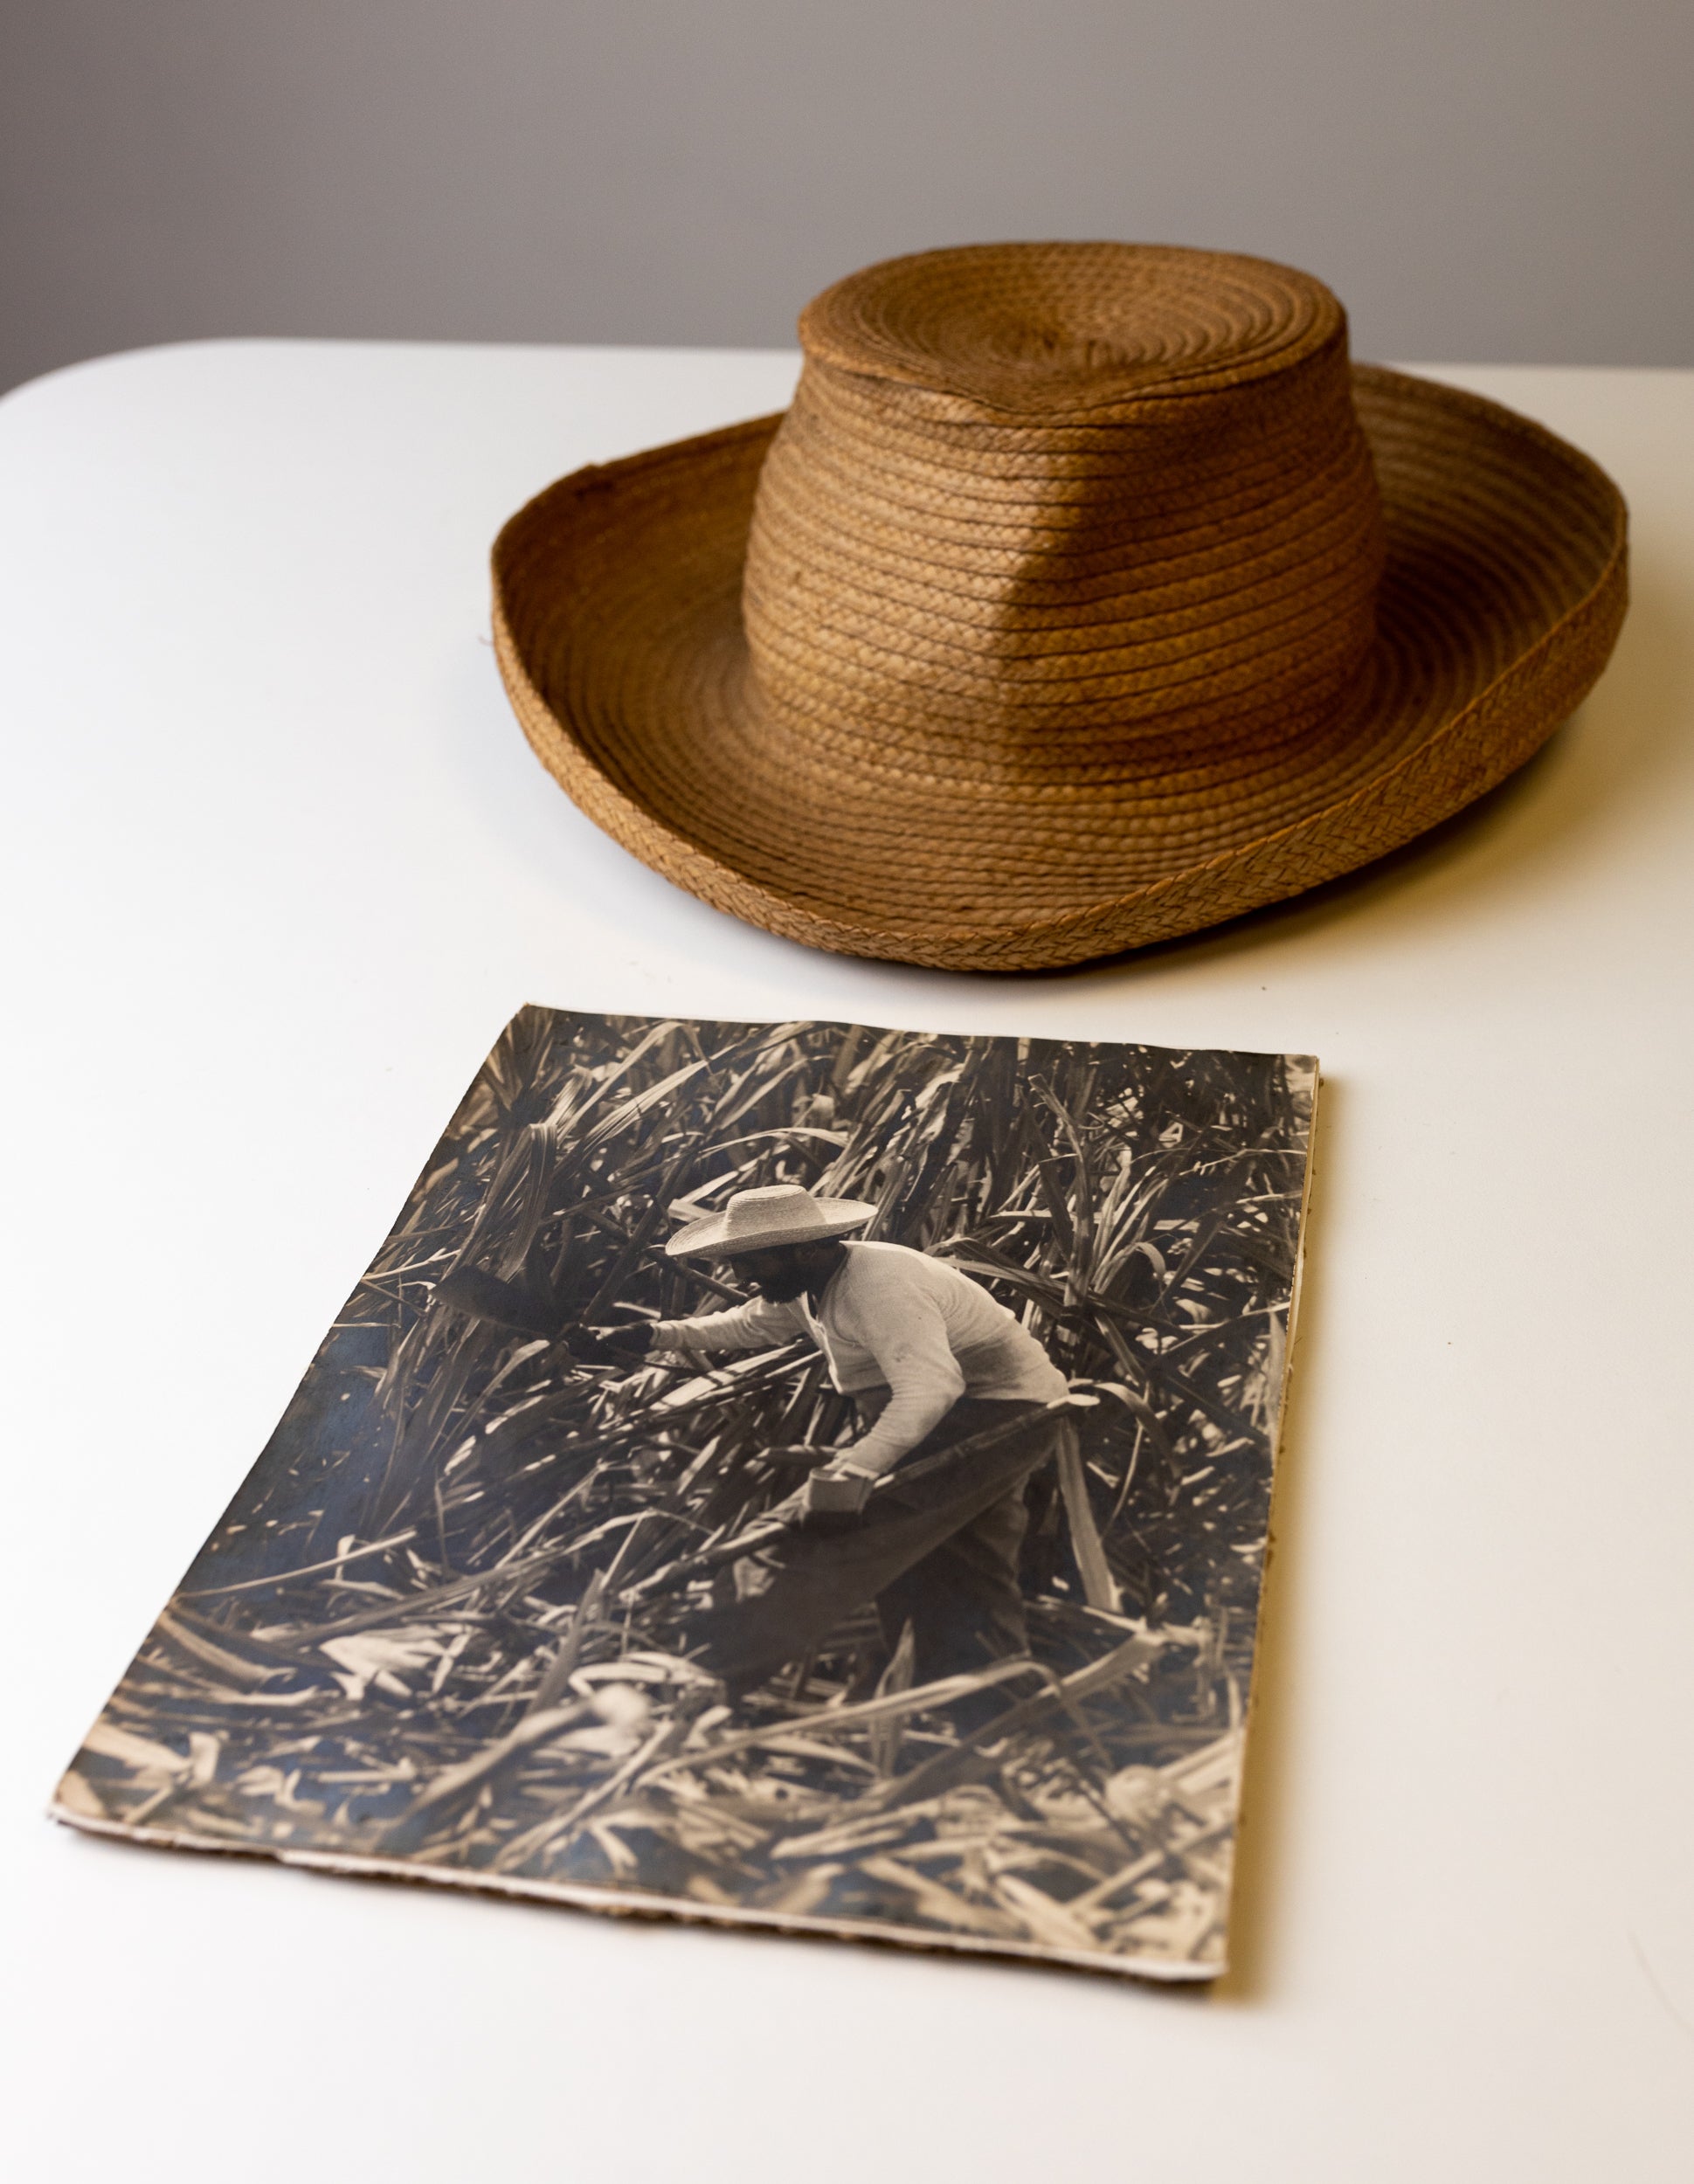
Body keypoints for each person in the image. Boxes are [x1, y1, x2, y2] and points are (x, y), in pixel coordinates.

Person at [603, 1182, 1071, 1704]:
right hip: (969, 1415)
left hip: (990, 1416)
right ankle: (984, 1704)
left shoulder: (879, 1286)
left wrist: (855, 1470)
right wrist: (655, 1335)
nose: (740, 1275)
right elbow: (753, 1325)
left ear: (805, 1249)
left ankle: (696, 1680)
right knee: (959, 1566)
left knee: (807, 1540)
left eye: (751, 1261)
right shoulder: (810, 1280)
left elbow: (932, 1389)